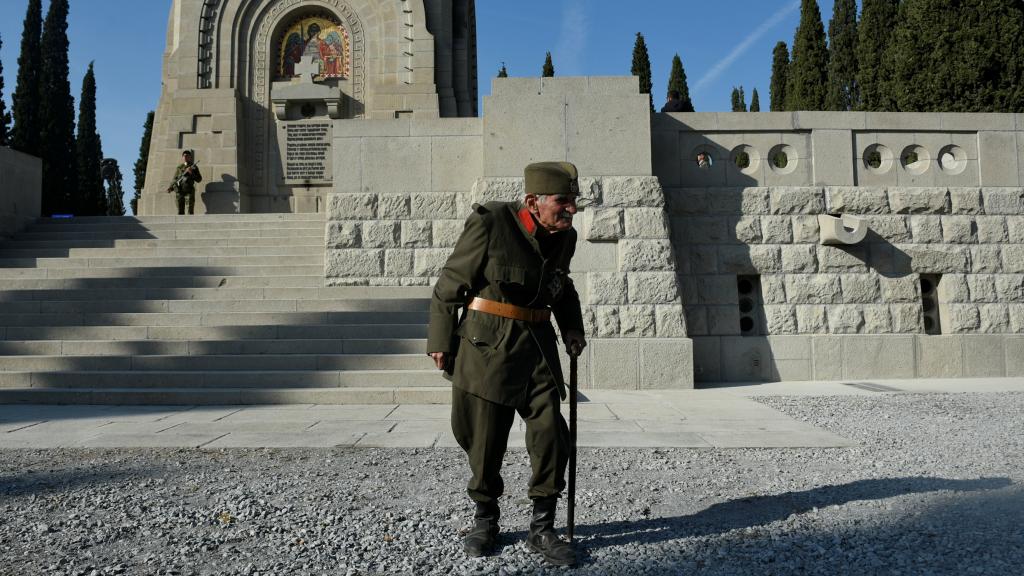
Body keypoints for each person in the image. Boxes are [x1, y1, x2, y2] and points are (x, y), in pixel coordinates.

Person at [427, 162, 587, 567]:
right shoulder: (491, 223)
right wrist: (441, 340)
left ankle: (543, 526)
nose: (571, 210)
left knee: (552, 431)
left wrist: (571, 328)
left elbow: (561, 287)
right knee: (483, 438)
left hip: (537, 348)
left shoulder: (564, 237)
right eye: (562, 201)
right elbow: (450, 282)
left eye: (573, 201)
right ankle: (485, 520)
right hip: (487, 347)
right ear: (532, 202)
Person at [166, 150, 203, 215]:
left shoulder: (194, 167)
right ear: (182, 157)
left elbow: (199, 179)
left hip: (189, 190)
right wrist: (170, 188)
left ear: (190, 157)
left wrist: (191, 173)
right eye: (184, 156)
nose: (185, 157)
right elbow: (175, 179)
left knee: (190, 211)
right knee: (180, 210)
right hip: (180, 190)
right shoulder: (179, 168)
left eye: (187, 156)